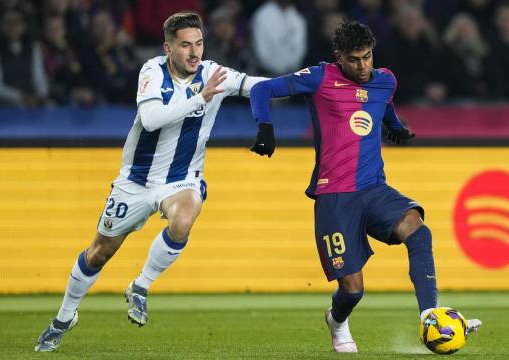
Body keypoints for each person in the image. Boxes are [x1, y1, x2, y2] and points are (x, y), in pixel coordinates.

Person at [35, 12, 266, 352]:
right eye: (185, 45)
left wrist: (309, 83)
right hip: (137, 181)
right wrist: (199, 99)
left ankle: (141, 286)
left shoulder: (213, 74)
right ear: (168, 48)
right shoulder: (152, 71)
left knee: (184, 218)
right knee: (99, 252)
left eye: (199, 44)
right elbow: (151, 118)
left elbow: (255, 85)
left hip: (182, 179)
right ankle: (65, 317)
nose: (194, 53)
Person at [249, 20, 482, 353]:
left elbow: (384, 106)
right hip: (334, 196)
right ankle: (337, 321)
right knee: (354, 290)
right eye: (354, 59)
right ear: (339, 57)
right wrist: (265, 128)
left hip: (373, 188)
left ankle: (430, 314)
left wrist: (397, 128)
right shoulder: (320, 77)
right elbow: (262, 90)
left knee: (418, 230)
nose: (362, 66)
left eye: (367, 57)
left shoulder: (385, 80)